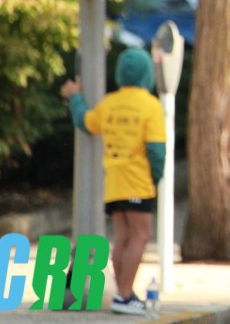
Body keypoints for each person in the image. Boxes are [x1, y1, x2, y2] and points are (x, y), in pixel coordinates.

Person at [60, 48, 167, 316]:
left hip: (114, 182)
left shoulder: (110, 103)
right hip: (138, 181)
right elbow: (156, 149)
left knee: (121, 237)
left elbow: (85, 121)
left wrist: (75, 97)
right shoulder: (151, 105)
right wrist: (156, 177)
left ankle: (123, 293)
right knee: (140, 236)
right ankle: (125, 295)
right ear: (146, 74)